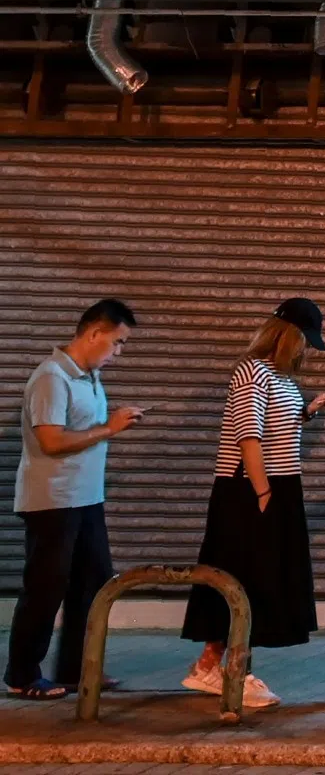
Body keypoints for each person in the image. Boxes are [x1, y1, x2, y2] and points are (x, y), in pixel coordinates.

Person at [180, 298, 325, 708]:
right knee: (247, 577)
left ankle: (214, 665)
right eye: (306, 341)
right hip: (248, 489)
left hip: (278, 484)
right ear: (289, 335)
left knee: (260, 577)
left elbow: (274, 428)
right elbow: (248, 435)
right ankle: (230, 670)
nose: (308, 349)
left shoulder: (278, 376)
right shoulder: (252, 372)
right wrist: (262, 491)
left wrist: (309, 410)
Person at [4, 300, 141, 700]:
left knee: (95, 583)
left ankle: (75, 667)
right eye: (117, 342)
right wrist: (109, 429)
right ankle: (22, 675)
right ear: (94, 333)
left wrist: (111, 424)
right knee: (45, 588)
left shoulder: (89, 376)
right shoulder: (51, 377)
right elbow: (50, 440)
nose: (119, 352)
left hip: (85, 499)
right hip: (52, 501)